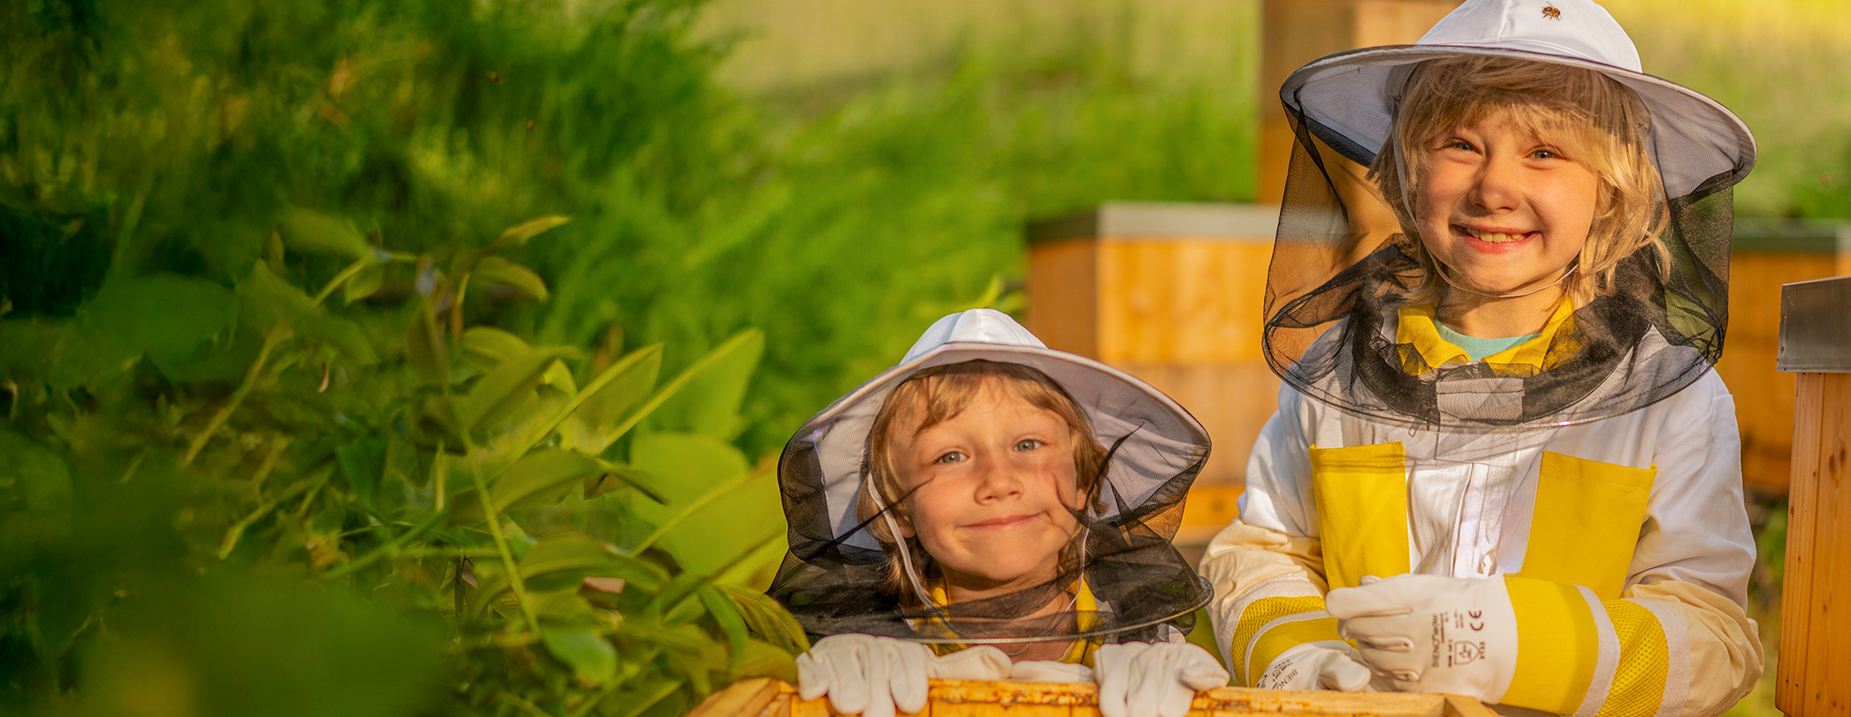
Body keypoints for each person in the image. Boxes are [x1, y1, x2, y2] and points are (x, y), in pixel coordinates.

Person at [1198, 1, 1761, 715]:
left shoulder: (1673, 401)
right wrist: (1300, 660)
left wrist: (1506, 643)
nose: (1494, 188)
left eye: (1544, 153)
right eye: (1459, 144)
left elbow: (1711, 635)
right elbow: (1261, 553)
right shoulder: (1334, 374)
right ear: (1404, 168)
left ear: (1612, 190)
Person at [770, 309, 1228, 717]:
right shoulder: (862, 662)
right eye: (950, 456)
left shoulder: (1149, 652)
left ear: (1084, 481)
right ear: (896, 505)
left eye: (1027, 445)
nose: (998, 481)